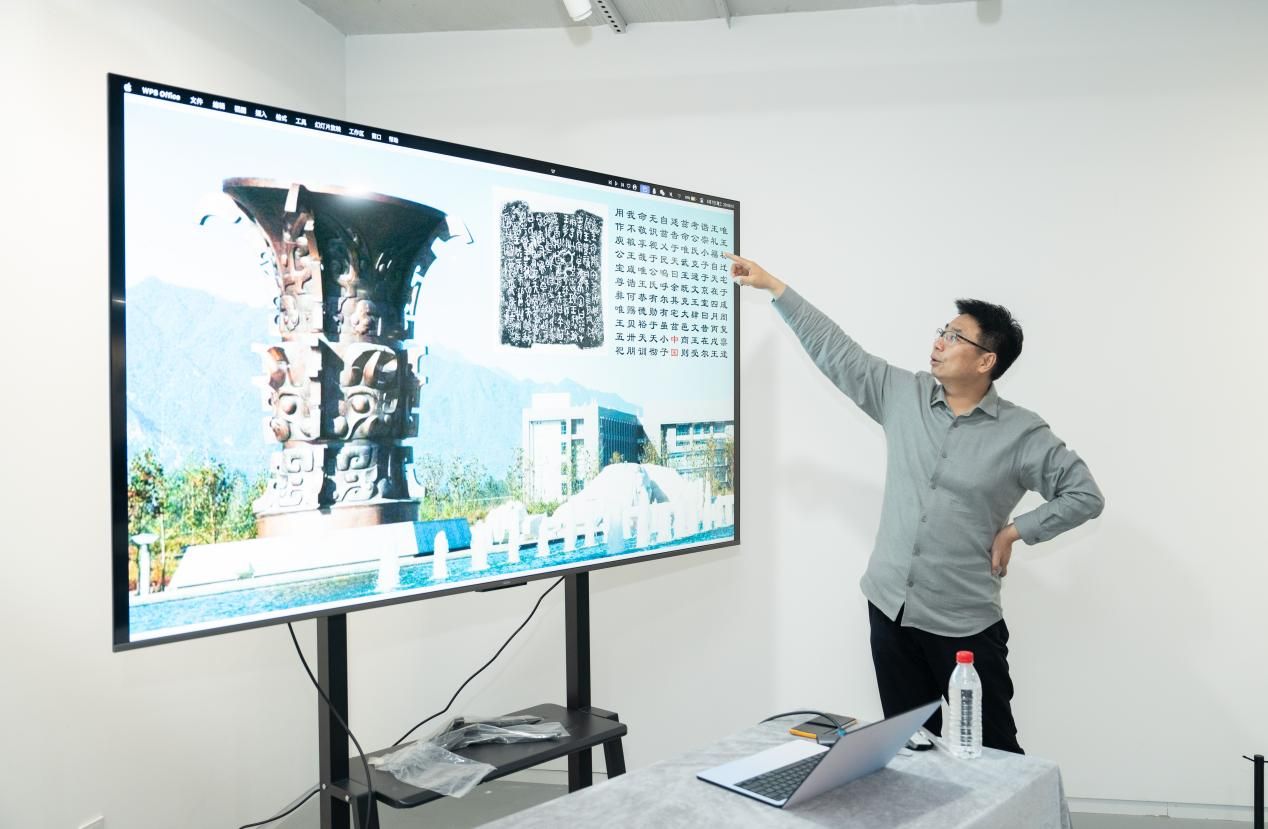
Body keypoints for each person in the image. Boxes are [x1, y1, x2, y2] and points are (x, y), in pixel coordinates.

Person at [726, 253, 1104, 754]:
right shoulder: (903, 395)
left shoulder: (1022, 433)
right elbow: (839, 352)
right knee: (910, 749)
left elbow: (1084, 495)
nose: (939, 343)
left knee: (996, 754)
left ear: (986, 361)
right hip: (890, 610)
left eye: (955, 337)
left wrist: (1017, 531)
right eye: (941, 332)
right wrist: (775, 286)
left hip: (964, 623)